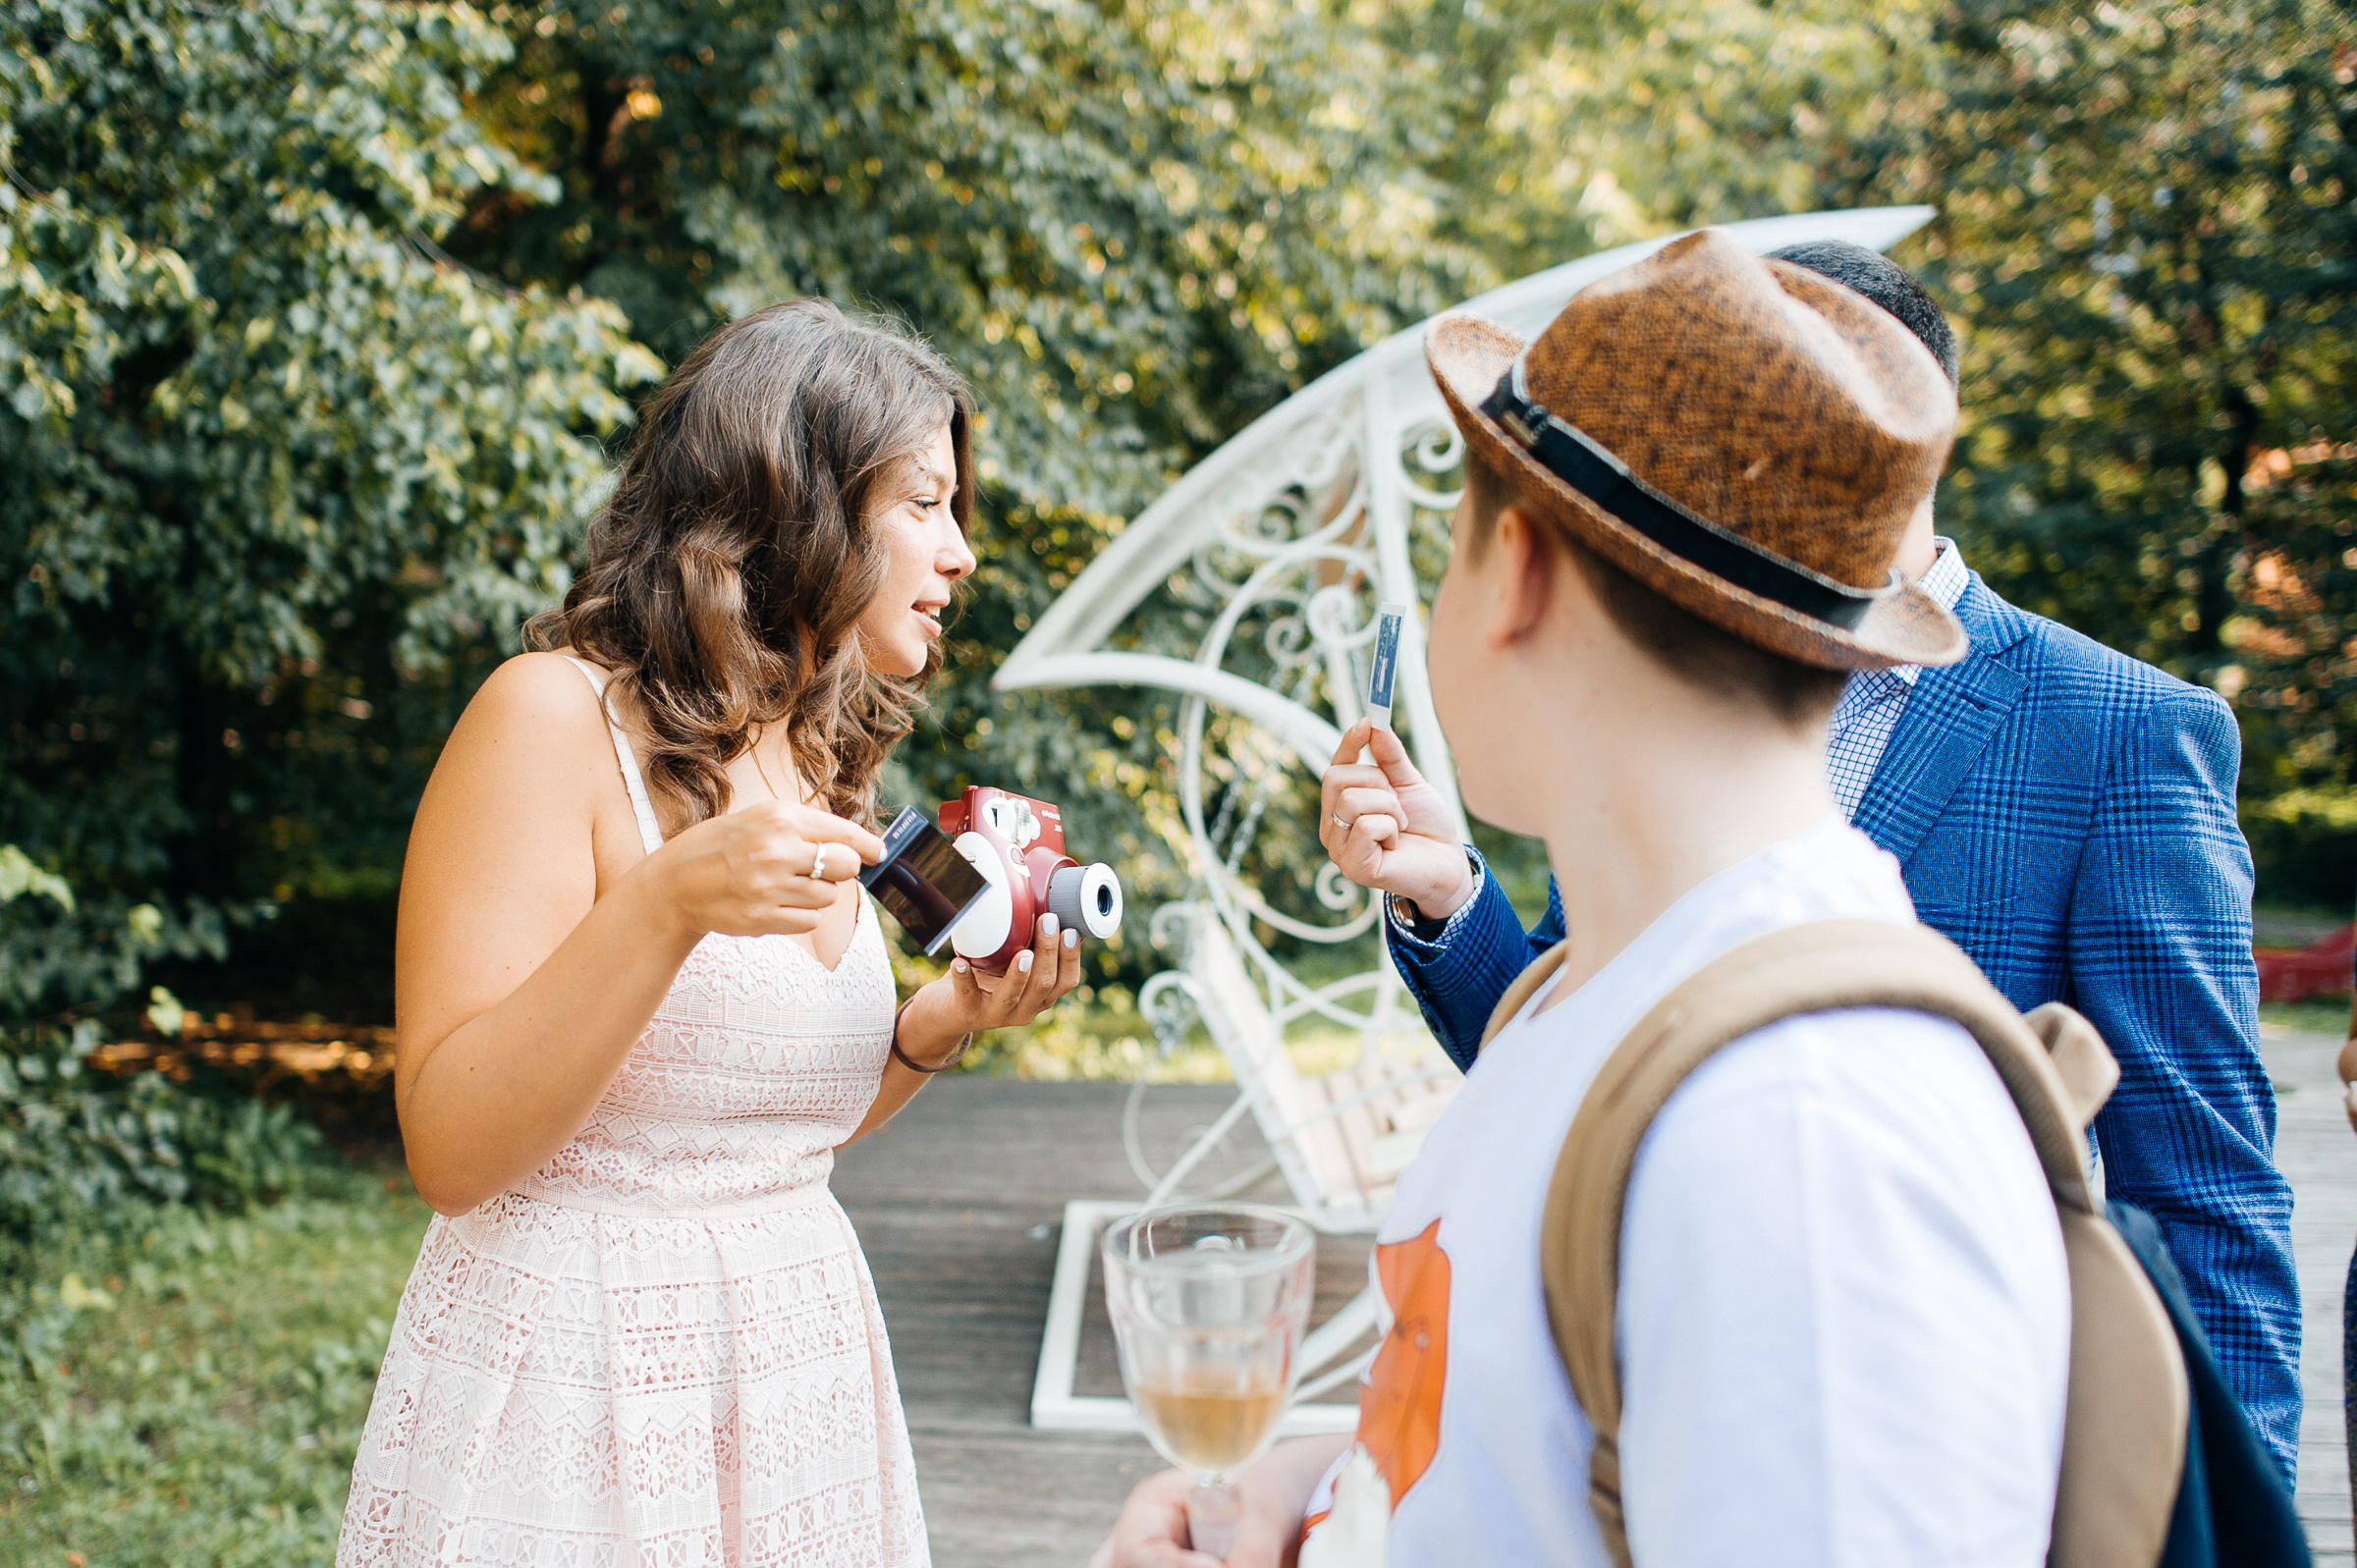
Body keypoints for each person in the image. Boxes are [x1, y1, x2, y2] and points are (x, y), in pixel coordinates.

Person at [1098, 229, 2071, 1567]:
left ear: (1522, 571)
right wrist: (1314, 1490)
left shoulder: (1802, 1130)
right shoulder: (1604, 994)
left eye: (1448, 553)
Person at [1318, 239, 2302, 1478]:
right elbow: (1598, 1057)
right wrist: (1455, 897)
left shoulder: (2118, 732)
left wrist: (2229, 1524)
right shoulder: (1651, 724)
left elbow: (2211, 1206)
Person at [337, 301, 1082, 1567]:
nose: (960, 552)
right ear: (796, 500)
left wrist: (936, 1028)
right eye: (923, 504)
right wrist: (668, 903)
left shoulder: (815, 762)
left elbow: (768, 1125)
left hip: (800, 1384)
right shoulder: (547, 717)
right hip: (582, 1384)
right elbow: (452, 1148)